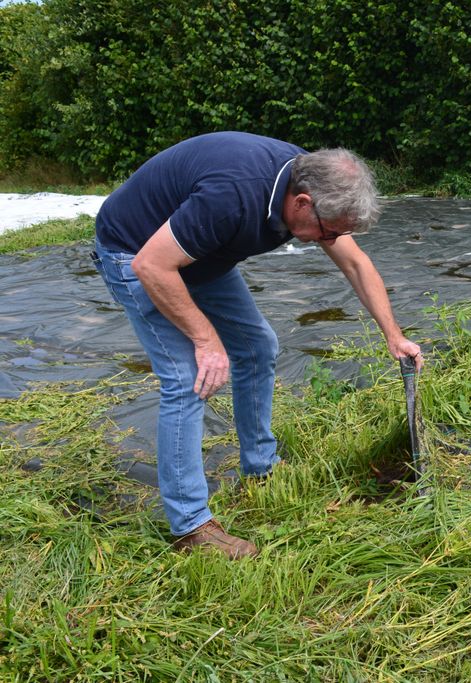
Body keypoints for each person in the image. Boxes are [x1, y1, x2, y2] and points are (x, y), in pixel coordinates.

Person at [92, 131, 422, 559]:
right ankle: (192, 528)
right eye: (327, 232)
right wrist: (205, 339)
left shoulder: (313, 185)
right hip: (135, 253)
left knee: (257, 346)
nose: (328, 241)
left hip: (196, 254)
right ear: (302, 204)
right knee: (189, 375)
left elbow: (357, 263)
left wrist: (394, 336)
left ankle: (261, 468)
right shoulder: (233, 195)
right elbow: (152, 265)